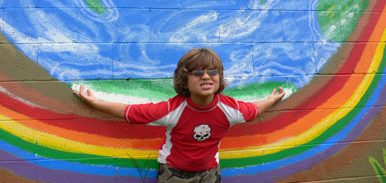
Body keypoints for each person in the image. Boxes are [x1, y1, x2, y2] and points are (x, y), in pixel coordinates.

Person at [74, 47, 285, 182]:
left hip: (210, 172)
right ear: (184, 81)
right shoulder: (171, 110)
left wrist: (273, 99)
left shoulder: (231, 109)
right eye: (197, 72)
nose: (206, 76)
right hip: (173, 173)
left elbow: (256, 109)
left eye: (213, 72)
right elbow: (131, 112)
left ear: (219, 78)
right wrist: (96, 103)